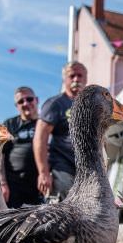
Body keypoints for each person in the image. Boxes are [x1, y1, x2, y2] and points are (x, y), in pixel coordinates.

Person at [33, 61, 88, 201]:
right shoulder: (55, 104)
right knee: (69, 206)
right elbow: (40, 137)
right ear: (65, 79)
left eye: (80, 75)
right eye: (72, 76)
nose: (76, 79)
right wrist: (43, 172)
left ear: (85, 78)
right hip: (63, 166)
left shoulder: (91, 105)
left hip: (87, 168)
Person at [1, 86, 42, 208]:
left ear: (37, 100)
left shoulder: (45, 123)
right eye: (20, 101)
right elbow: (0, 156)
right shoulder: (9, 124)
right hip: (14, 187)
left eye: (29, 99)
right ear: (16, 106)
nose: (26, 103)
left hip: (40, 186)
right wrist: (2, 184)